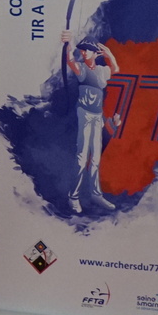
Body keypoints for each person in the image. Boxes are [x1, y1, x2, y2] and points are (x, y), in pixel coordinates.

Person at [62, 31, 121, 213]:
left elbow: (115, 69)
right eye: (83, 49)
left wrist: (110, 55)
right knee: (82, 157)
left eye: (88, 50)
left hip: (97, 116)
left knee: (95, 157)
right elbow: (70, 60)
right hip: (85, 114)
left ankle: (96, 194)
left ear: (96, 53)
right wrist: (68, 44)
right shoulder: (81, 69)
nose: (84, 52)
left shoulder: (102, 71)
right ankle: (74, 196)